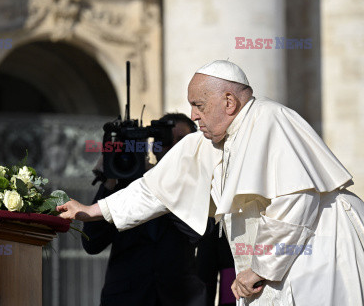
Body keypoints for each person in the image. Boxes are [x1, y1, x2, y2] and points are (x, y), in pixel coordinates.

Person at [58, 60, 364, 305]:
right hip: (282, 258)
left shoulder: (271, 119)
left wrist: (260, 268)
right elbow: (153, 191)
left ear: (229, 101)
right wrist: (91, 210)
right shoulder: (209, 141)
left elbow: (295, 200)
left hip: (323, 245)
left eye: (199, 105)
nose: (193, 115)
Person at [82, 113, 211, 306]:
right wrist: (110, 179)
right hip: (126, 299)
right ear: (154, 146)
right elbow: (92, 243)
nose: (174, 147)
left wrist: (158, 185)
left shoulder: (196, 187)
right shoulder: (128, 184)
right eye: (165, 140)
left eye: (182, 141)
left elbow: (200, 231)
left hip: (180, 298)